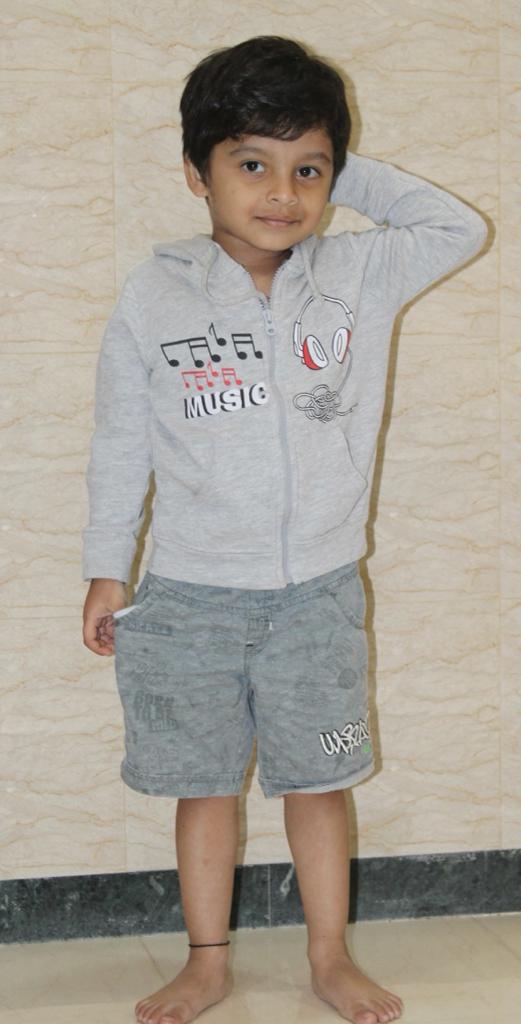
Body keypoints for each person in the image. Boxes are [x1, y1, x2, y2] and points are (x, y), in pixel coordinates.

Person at [82, 35, 486, 1024]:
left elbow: (456, 226)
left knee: (320, 781)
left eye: (307, 170)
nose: (281, 192)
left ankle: (328, 955)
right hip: (189, 597)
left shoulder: (358, 273)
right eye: (251, 163)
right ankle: (206, 960)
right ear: (197, 172)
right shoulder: (154, 296)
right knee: (204, 786)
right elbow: (121, 441)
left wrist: (340, 168)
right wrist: (105, 567)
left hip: (317, 598)